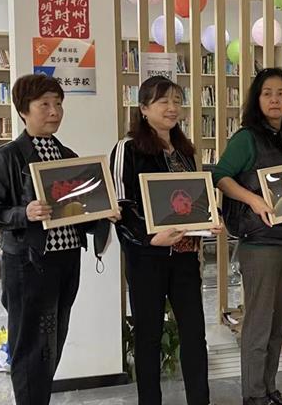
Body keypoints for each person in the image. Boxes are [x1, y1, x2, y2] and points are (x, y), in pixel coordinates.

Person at [0, 74, 117, 405]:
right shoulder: (7, 156)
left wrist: (103, 211)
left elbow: (77, 210)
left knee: (53, 342)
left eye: (58, 104)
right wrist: (24, 212)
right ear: (23, 111)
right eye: (44, 104)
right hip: (29, 263)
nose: (54, 111)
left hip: (66, 261)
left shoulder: (68, 154)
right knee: (30, 345)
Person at [110, 76, 222, 405]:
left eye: (176, 100)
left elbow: (196, 200)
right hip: (148, 259)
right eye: (163, 101)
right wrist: (149, 238)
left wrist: (211, 219)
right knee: (148, 336)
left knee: (194, 334)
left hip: (185, 257)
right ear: (144, 108)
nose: (172, 108)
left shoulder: (185, 151)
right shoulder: (127, 148)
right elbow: (120, 206)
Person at [213, 68, 282, 405]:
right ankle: (253, 395)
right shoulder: (246, 138)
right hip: (260, 243)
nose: (275, 99)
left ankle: (269, 389)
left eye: (281, 93)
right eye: (267, 93)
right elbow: (221, 175)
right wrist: (251, 198)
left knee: (278, 325)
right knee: (259, 325)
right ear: (257, 99)